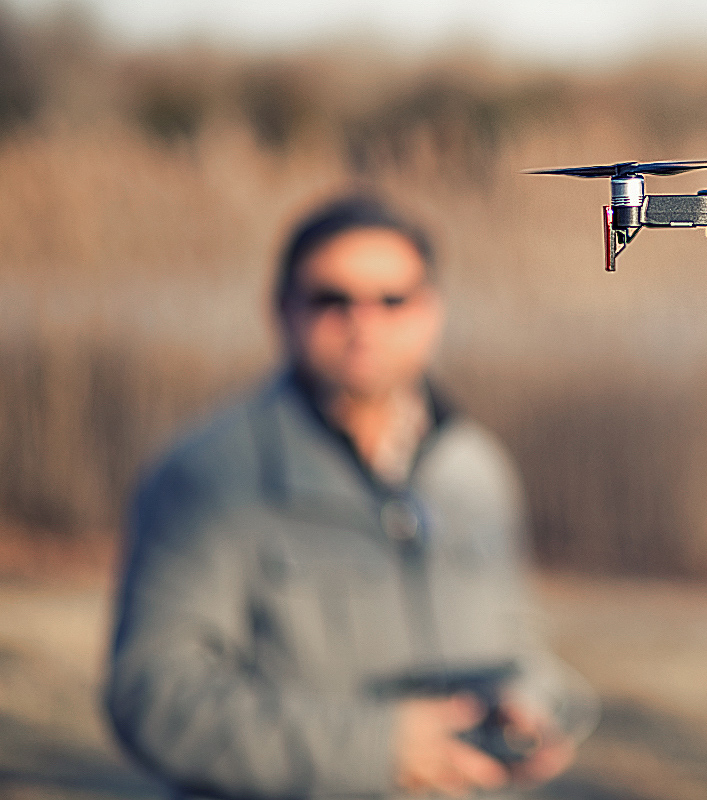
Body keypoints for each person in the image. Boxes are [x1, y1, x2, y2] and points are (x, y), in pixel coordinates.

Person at [105, 195, 590, 800]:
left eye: (393, 300)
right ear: (281, 311)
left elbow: (521, 649)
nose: (364, 322)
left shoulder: (476, 469)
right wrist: (378, 749)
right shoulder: (208, 477)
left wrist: (537, 708)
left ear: (431, 311)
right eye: (332, 299)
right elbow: (153, 697)